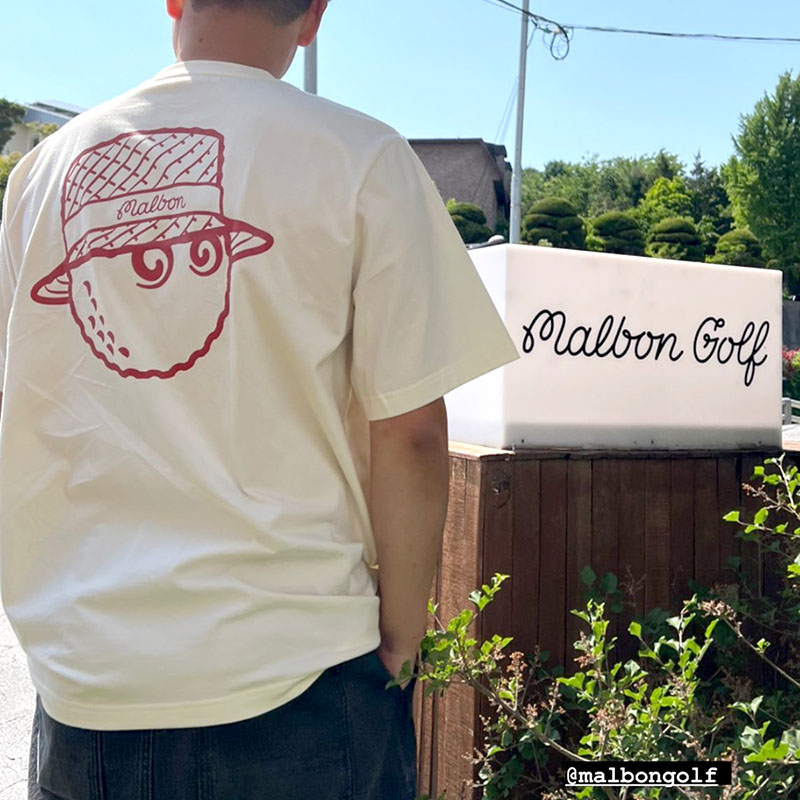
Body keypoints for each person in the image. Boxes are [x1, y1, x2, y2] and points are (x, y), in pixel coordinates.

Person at [0, 1, 520, 798]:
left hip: (88, 687)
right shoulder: (361, 158)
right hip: (302, 670)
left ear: (175, 1)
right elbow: (412, 432)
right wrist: (401, 639)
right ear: (313, 16)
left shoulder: (40, 176)